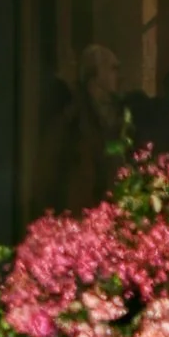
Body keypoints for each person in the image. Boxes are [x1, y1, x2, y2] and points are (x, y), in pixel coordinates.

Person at [33, 40, 126, 212]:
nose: (119, 76)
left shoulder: (121, 116)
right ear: (95, 75)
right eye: (113, 69)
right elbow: (48, 176)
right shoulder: (72, 121)